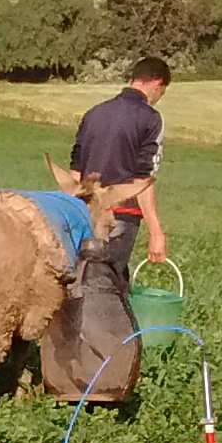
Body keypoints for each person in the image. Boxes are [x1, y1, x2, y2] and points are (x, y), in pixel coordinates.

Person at [69, 55, 171, 287]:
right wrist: (156, 233)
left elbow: (75, 169)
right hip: (120, 215)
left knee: (79, 280)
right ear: (157, 85)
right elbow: (142, 178)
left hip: (85, 211)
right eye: (162, 93)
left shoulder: (94, 113)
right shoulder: (150, 118)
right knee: (108, 284)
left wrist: (72, 210)